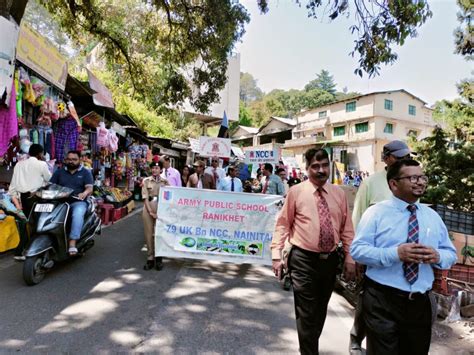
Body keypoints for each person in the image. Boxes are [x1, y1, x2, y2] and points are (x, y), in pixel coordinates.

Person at [350, 159, 457, 355]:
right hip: (382, 301)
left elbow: (451, 254)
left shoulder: (432, 216)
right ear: (393, 184)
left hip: (419, 304)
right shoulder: (376, 213)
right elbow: (357, 250)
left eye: (422, 177)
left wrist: (437, 256)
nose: (420, 182)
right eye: (413, 177)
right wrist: (395, 254)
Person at [272, 148, 355, 355]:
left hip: (329, 261)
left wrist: (350, 257)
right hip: (302, 260)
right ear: (307, 168)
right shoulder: (296, 192)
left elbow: (347, 228)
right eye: (315, 166)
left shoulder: (339, 194)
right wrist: (276, 255)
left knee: (319, 312)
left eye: (325, 165)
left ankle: (308, 347)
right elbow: (283, 224)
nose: (321, 170)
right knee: (307, 313)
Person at [349, 139, 412, 353]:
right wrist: (358, 256)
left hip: (402, 256)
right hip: (374, 255)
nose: (404, 160)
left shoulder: (411, 182)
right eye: (399, 157)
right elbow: (357, 217)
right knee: (367, 297)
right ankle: (356, 338)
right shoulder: (372, 183)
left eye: (406, 157)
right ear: (386, 159)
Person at [50, 150, 94, 255]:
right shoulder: (59, 172)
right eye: (69, 159)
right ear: (65, 160)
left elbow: (89, 188)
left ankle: (72, 243)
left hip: (77, 202)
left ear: (80, 160)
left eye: (74, 159)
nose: (71, 161)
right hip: (60, 202)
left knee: (78, 213)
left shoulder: (85, 172)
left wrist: (84, 193)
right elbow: (50, 185)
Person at [142, 161, 169, 271]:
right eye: (153, 168)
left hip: (161, 209)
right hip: (149, 208)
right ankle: (150, 258)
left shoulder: (165, 181)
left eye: (157, 168)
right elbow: (145, 198)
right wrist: (150, 212)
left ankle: (159, 258)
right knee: (148, 234)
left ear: (161, 170)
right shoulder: (146, 181)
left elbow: (171, 195)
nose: (154, 170)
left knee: (159, 233)